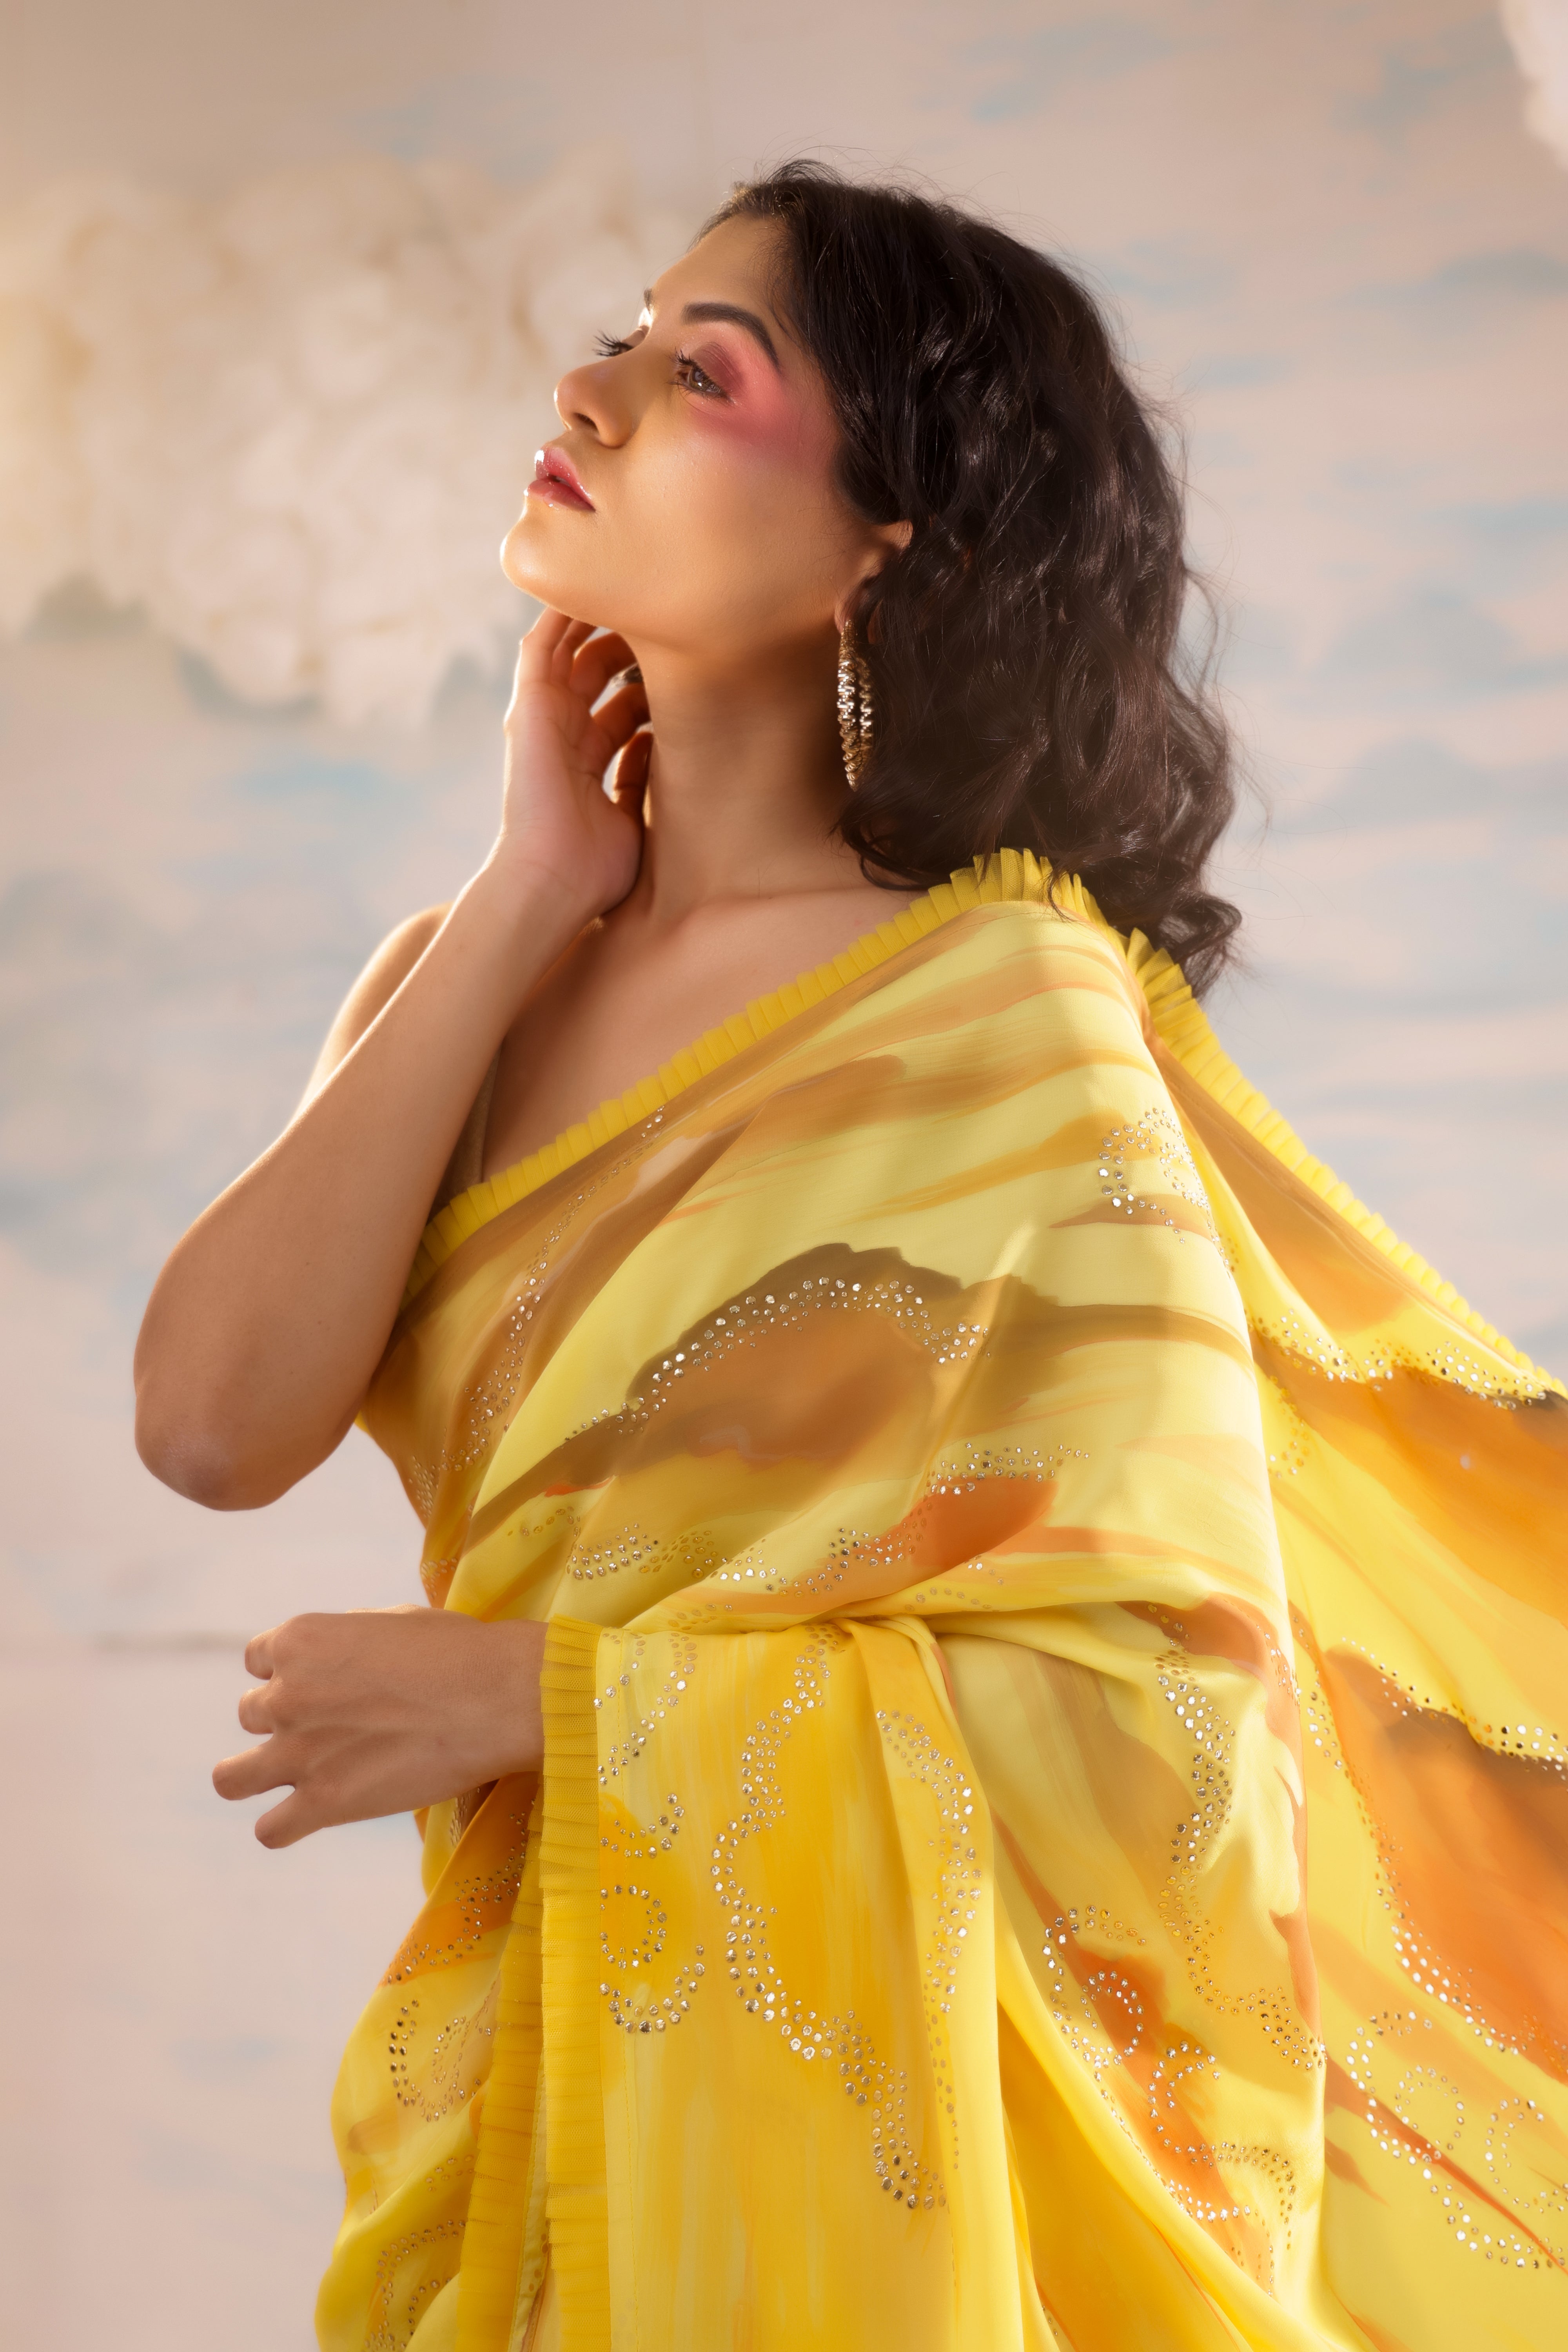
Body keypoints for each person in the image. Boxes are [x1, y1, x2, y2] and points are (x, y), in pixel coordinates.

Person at [133, 164, 1568, 2352]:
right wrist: (525, 893)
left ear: (886, 543)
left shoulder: (1006, 1018)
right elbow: (210, 1425)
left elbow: (1167, 1723)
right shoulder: (463, 970)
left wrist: (546, 1700)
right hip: (519, 2120)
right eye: (624, 333)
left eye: (703, 374)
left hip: (857, 2200)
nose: (589, 391)